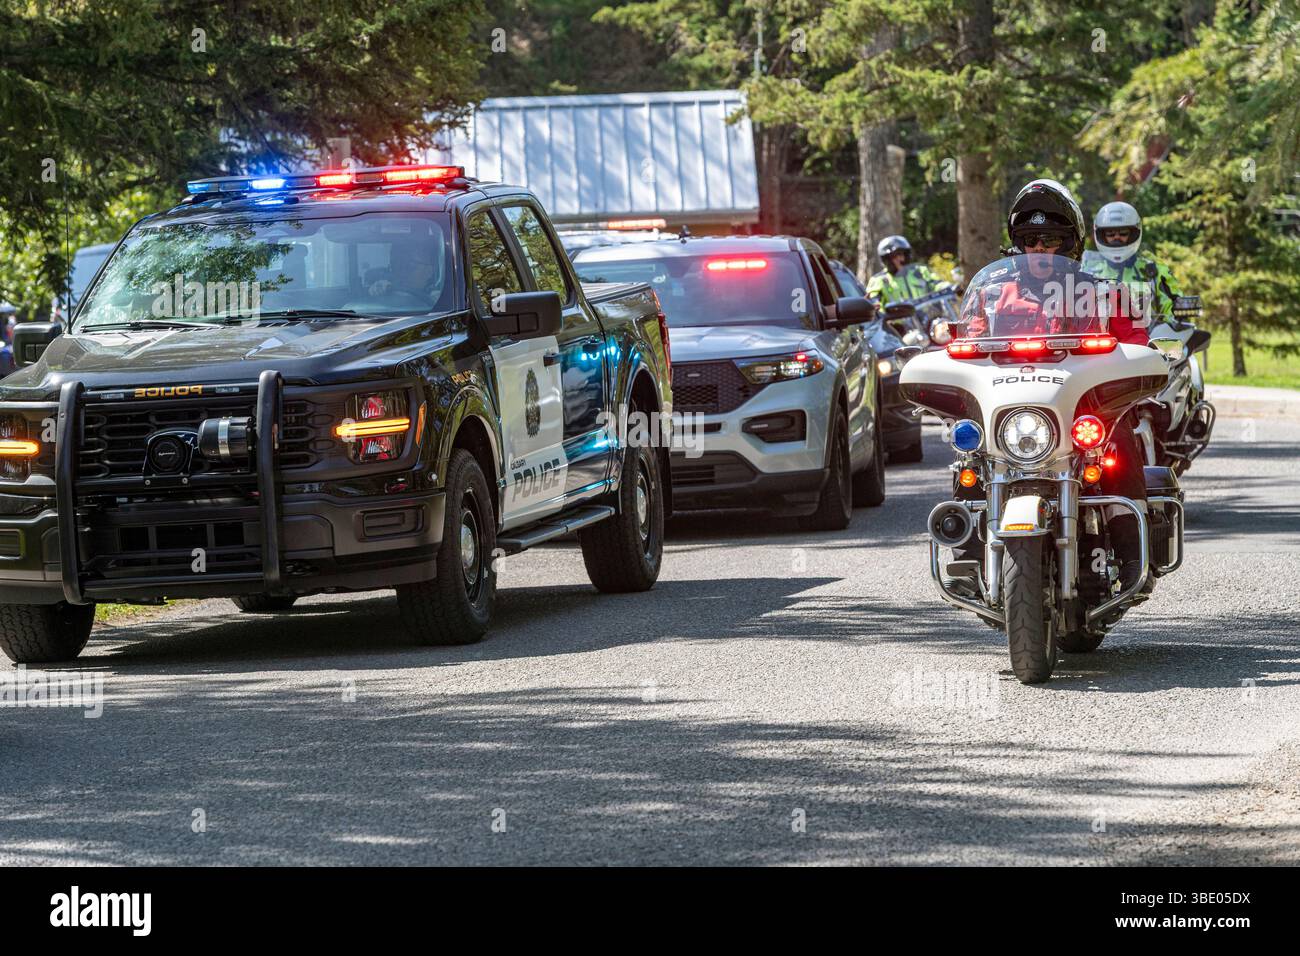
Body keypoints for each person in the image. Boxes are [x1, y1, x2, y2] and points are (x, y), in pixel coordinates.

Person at [957, 179, 1150, 594]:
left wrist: (1145, 355)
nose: (1040, 249)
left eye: (1051, 240)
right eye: (1031, 239)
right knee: (967, 450)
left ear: (1071, 245)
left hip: (1084, 410)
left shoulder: (1102, 293)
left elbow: (1136, 342)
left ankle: (1134, 552)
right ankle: (966, 549)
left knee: (1120, 438)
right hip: (1011, 412)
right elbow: (964, 342)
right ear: (1018, 244)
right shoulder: (991, 296)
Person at [1084, 201, 1182, 326]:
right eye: (1110, 234)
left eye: (1123, 233)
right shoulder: (1088, 272)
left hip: (1147, 341)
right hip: (1101, 341)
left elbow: (1173, 307)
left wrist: (1177, 316)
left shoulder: (1154, 271)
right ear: (1101, 235)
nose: (1116, 238)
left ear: (1134, 233)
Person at [865, 235, 956, 306]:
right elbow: (874, 302)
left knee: (944, 327)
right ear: (886, 260)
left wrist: (950, 287)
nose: (900, 259)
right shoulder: (879, 280)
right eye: (894, 256)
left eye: (902, 254)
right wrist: (874, 305)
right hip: (898, 327)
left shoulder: (920, 271)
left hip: (928, 320)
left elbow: (937, 284)